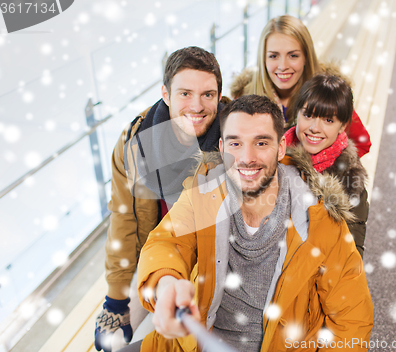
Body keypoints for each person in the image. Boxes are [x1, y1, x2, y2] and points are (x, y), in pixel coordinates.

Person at [134, 95, 373, 352]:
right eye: (236, 143)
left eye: (261, 142)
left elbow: (352, 318)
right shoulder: (201, 195)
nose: (247, 158)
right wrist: (166, 283)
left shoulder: (320, 218)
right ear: (223, 148)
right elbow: (165, 243)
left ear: (281, 147)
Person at [94, 46, 227, 352]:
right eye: (185, 94)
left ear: (220, 97)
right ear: (165, 94)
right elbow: (123, 218)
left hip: (206, 260)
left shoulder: (231, 141)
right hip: (157, 252)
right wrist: (116, 298)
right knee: (106, 343)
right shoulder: (134, 143)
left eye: (208, 94)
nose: (197, 105)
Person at [229, 14, 372, 158]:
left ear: (306, 57)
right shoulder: (243, 98)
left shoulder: (328, 94)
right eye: (273, 56)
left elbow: (362, 143)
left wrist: (319, 167)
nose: (283, 66)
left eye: (293, 56)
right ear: (263, 59)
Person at [283, 74, 369, 257]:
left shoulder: (351, 179)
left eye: (328, 120)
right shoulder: (272, 151)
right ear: (297, 113)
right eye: (308, 115)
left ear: (342, 126)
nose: (315, 127)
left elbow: (351, 254)